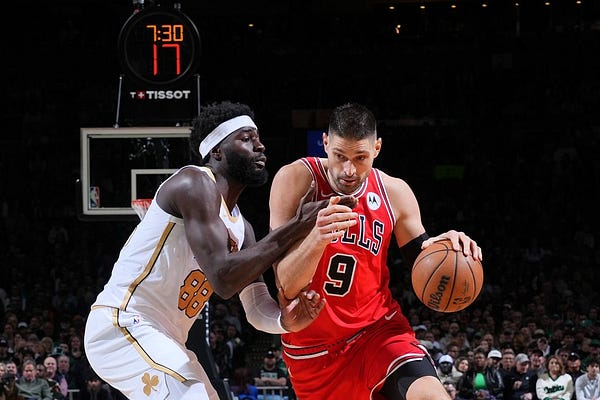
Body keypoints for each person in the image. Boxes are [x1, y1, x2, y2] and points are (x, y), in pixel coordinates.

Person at [84, 101, 357, 400]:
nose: (260, 146)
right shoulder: (194, 182)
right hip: (122, 325)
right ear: (216, 151)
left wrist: (284, 320)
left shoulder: (243, 228)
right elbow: (223, 279)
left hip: (166, 338)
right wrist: (298, 224)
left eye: (258, 139)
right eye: (246, 139)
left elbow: (256, 307)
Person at [268, 102, 482, 400]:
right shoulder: (297, 179)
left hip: (378, 331)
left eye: (360, 158)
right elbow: (285, 283)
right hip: (313, 349)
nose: (348, 170)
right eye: (340, 156)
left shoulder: (394, 192)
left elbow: (423, 260)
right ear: (325, 143)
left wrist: (447, 247)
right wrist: (318, 238)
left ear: (377, 148)